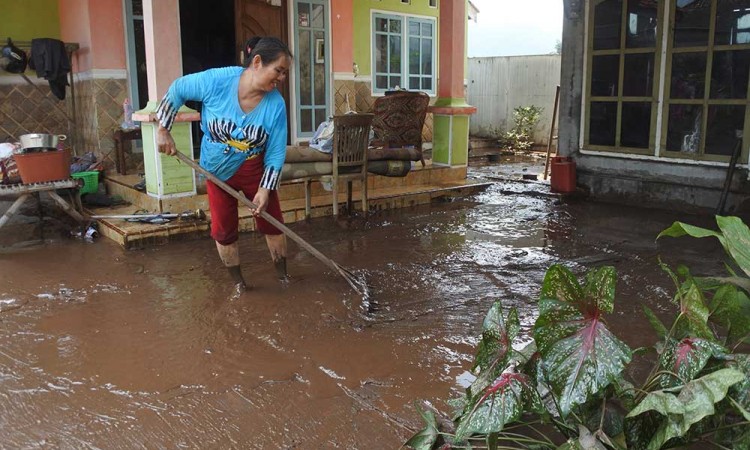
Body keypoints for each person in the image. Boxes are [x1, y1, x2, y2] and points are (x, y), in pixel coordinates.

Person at [155, 37, 292, 294]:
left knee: (272, 222)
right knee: (223, 229)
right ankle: (240, 285)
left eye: (284, 73)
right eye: (279, 71)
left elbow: (275, 152)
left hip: (254, 169)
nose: (281, 78)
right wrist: (163, 129)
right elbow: (178, 89)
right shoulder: (217, 81)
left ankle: (283, 277)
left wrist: (264, 189)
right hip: (215, 170)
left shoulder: (276, 105)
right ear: (258, 62)